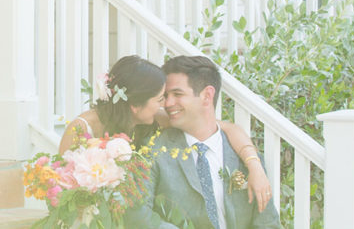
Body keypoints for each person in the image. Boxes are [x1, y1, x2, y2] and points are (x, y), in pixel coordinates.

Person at [58, 55, 272, 212]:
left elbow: (225, 128)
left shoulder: (153, 118)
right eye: (160, 99)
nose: (166, 105)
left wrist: (255, 165)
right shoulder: (82, 129)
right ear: (135, 105)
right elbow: (59, 190)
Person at [130, 55, 280, 229]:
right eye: (165, 96)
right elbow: (138, 216)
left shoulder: (248, 160)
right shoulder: (154, 150)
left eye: (177, 94)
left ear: (207, 96)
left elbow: (268, 224)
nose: (168, 103)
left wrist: (254, 165)